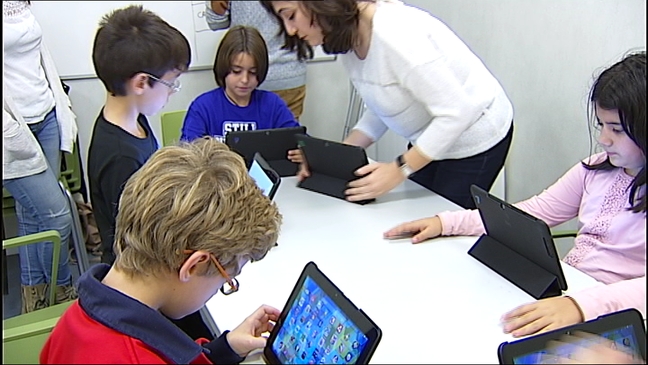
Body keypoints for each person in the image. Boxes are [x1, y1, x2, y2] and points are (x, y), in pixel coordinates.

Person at [384, 52, 646, 338]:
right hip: (571, 294)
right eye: (601, 126)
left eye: (617, 130)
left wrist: (581, 306)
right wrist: (447, 223)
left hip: (615, 317)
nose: (604, 139)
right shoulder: (596, 170)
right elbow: (533, 213)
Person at [40, 137, 283, 364]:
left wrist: (225, 349)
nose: (223, 287)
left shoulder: (74, 319)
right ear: (194, 265)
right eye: (228, 280)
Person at [261, 0, 514, 208]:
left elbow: (458, 112)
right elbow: (384, 103)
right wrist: (333, 159)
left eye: (290, 15)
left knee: (442, 225)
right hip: (432, 134)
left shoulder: (395, 36)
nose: (290, 29)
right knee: (416, 216)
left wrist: (398, 169)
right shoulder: (345, 35)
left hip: (474, 135)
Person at [87, 4, 212, 342]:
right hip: (142, 288)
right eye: (172, 84)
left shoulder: (136, 123)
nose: (173, 93)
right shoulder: (118, 156)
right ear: (142, 82)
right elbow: (141, 244)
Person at [3, 0, 78, 313]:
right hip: (10, 128)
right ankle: (61, 297)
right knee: (57, 215)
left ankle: (34, 304)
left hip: (44, 114)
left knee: (32, 216)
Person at [181, 25, 302, 164]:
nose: (245, 80)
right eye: (236, 71)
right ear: (224, 68)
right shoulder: (203, 106)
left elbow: (299, 140)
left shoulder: (272, 104)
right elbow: (187, 152)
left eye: (252, 72)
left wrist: (302, 152)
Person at [205, 0, 312, 121]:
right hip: (282, 72)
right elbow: (215, 21)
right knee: (283, 137)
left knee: (242, 138)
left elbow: (216, 21)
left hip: (280, 76)